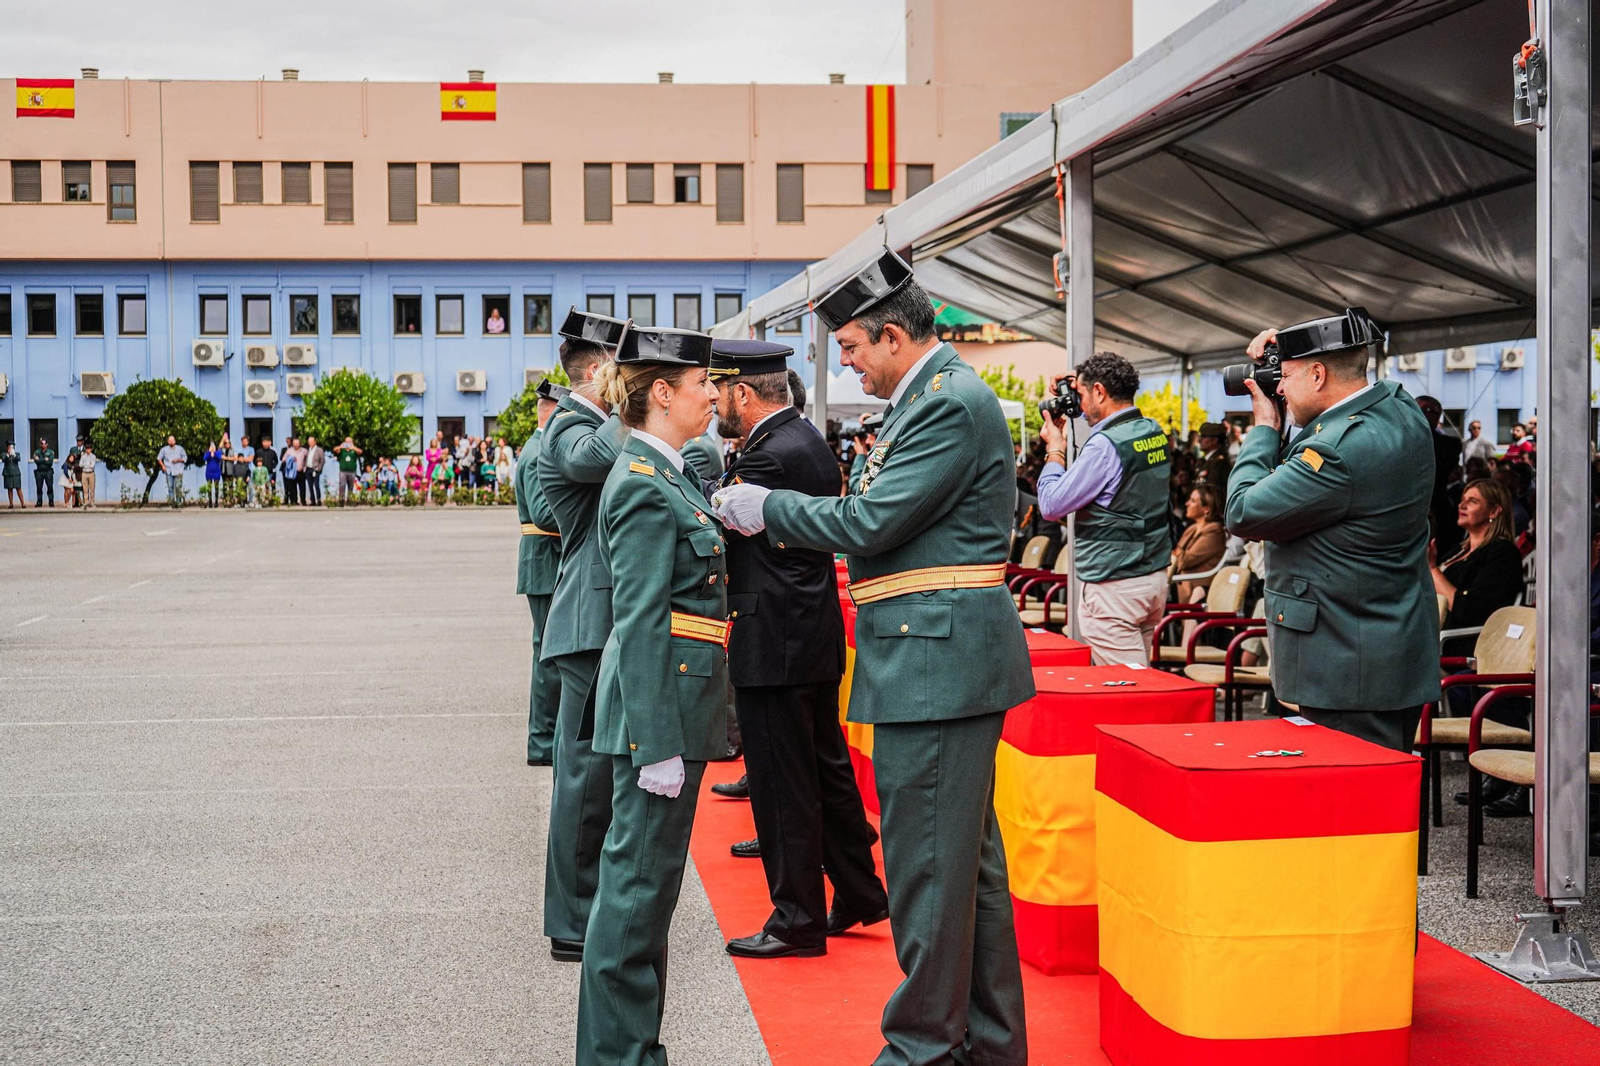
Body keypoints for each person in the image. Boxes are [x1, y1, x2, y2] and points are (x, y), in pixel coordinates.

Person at [713, 250, 1030, 1066]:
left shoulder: (945, 403)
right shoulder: (933, 397)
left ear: (892, 337)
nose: (847, 362)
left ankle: (921, 1047)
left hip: (936, 659)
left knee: (929, 869)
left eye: (852, 347)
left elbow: (868, 522)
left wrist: (767, 507)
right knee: (968, 874)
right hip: (932, 653)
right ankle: (986, 1044)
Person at [707, 339, 888, 961]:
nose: (713, 404)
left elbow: (717, 523)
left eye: (719, 393)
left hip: (773, 634)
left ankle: (796, 917)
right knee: (825, 770)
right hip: (805, 631)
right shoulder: (801, 439)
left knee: (784, 783)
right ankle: (860, 891)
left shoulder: (766, 458)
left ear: (744, 393)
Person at [577, 323, 726, 1066]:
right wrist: (656, 743)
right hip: (656, 717)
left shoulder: (666, 473)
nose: (714, 395)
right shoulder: (642, 484)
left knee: (647, 900)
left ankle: (635, 1051)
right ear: (661, 393)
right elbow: (638, 622)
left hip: (670, 709)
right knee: (634, 904)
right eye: (703, 384)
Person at [1226, 308, 1440, 751]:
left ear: (1318, 374)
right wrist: (1286, 350)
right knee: (1382, 802)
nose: (1278, 388)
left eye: (1283, 375)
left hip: (1346, 663)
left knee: (1357, 807)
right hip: (1383, 648)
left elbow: (1243, 512)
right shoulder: (1400, 411)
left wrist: (1265, 428)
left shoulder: (1338, 450)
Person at [536, 307, 629, 964]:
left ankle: (593, 905)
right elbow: (593, 457)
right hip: (587, 626)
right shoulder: (569, 427)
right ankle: (571, 921)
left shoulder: (594, 424)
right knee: (584, 780)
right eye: (627, 369)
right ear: (599, 372)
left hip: (606, 622)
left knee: (602, 777)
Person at [1034, 351, 1174, 667]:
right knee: (1143, 674)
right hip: (1151, 577)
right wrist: (1081, 378)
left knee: (1128, 690)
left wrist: (1054, 449)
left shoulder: (1105, 445)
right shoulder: (1151, 430)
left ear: (1100, 391)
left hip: (1115, 584)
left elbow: (1052, 505)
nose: (1078, 408)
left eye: (1081, 395)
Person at [517, 383, 565, 767]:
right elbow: (543, 514)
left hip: (546, 561)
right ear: (551, 411)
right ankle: (542, 741)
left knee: (547, 654)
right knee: (547, 658)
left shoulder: (537, 448)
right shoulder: (537, 453)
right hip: (546, 560)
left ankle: (545, 738)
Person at [1431, 478, 1523, 657]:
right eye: (1463, 499)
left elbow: (1470, 610)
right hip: (1429, 632)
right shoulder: (1457, 550)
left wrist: (1433, 569)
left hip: (1456, 644)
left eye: (1472, 501)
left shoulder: (1502, 553)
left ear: (1494, 511)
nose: (1462, 505)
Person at [1415, 396, 1463, 557]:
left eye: (1428, 410)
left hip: (1437, 511)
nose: (1422, 413)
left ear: (1438, 417)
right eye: (1419, 409)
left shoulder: (1449, 444)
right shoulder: (1397, 439)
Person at [1171, 483, 1226, 602]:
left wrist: (1175, 550)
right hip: (1179, 583)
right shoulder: (1192, 528)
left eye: (1192, 501)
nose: (1187, 504)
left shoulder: (1214, 532)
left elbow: (1184, 561)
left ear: (1206, 508)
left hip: (1194, 590)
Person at [1196, 421, 1231, 489]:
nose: (1199, 440)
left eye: (1203, 436)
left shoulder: (1219, 463)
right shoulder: (1207, 460)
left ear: (1214, 440)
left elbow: (1213, 490)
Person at [156, 435, 186, 509]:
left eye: (172, 441)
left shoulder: (180, 449)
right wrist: (163, 466)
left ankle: (179, 503)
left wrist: (178, 460)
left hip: (178, 471)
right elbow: (159, 458)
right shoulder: (164, 450)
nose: (171, 442)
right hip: (169, 471)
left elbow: (185, 458)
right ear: (168, 442)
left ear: (175, 441)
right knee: (170, 487)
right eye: (170, 441)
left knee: (178, 487)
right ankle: (172, 503)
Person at [333, 437, 363, 503]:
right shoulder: (342, 450)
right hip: (343, 471)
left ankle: (350, 500)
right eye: (347, 442)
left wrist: (353, 447)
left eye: (349, 442)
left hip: (352, 471)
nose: (348, 443)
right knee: (342, 485)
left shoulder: (354, 450)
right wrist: (340, 446)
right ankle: (341, 500)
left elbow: (360, 452)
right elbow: (335, 449)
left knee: (351, 486)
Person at [32, 437, 55, 508]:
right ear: (40, 444)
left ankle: (51, 502)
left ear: (47, 444)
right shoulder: (37, 452)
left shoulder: (50, 452)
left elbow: (50, 462)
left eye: (45, 443)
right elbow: (37, 462)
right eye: (42, 443)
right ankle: (39, 502)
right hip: (39, 472)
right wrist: (44, 459)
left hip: (48, 471)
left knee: (50, 487)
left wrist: (40, 459)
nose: (43, 445)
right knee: (39, 487)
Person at [254, 437, 278, 503]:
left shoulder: (272, 452)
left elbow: (276, 461)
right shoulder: (258, 451)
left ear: (269, 443)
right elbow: (254, 460)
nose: (265, 444)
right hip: (261, 473)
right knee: (262, 486)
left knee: (272, 485)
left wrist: (272, 467)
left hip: (271, 472)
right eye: (264, 442)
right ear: (262, 443)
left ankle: (273, 500)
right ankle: (262, 500)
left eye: (266, 442)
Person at [305, 436, 326, 505]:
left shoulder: (319, 450)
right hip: (308, 469)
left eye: (311, 442)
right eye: (309, 442)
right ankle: (312, 500)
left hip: (315, 469)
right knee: (310, 486)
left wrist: (319, 468)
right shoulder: (308, 450)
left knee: (316, 485)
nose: (310, 443)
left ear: (315, 442)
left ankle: (319, 500)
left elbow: (322, 460)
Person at [202, 441, 223, 507]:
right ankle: (210, 501)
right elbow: (204, 458)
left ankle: (216, 501)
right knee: (209, 487)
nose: (212, 447)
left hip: (216, 472)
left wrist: (214, 453)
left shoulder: (218, 452)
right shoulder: (207, 453)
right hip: (209, 472)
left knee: (216, 487)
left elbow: (219, 458)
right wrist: (209, 452)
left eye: (214, 446)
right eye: (211, 446)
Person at [4, 441, 25, 507]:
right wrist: (8, 455)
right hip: (8, 473)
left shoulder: (17, 454)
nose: (11, 448)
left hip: (16, 473)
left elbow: (18, 459)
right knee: (9, 489)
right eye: (9, 447)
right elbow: (4, 459)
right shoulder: (4, 454)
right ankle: (11, 503)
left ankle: (23, 503)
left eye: (12, 447)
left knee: (18, 488)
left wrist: (14, 455)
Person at [78, 441, 97, 508]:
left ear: (91, 449)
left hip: (91, 473)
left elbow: (92, 465)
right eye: (87, 449)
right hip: (84, 473)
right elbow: (80, 464)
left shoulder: (93, 456)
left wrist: (86, 465)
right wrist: (87, 465)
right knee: (85, 489)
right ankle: (86, 502)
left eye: (89, 449)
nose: (88, 450)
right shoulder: (83, 456)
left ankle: (92, 502)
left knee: (92, 488)